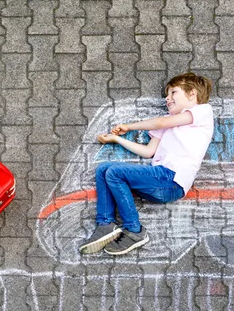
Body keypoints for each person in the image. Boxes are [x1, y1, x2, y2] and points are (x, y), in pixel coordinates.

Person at [79, 73, 214, 256]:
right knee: (104, 169)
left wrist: (128, 126)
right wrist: (117, 139)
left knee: (114, 173)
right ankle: (105, 224)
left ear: (192, 94)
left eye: (173, 92)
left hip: (172, 180)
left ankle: (134, 230)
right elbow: (148, 151)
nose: (167, 98)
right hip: (158, 179)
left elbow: (160, 122)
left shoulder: (202, 111)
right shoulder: (168, 124)